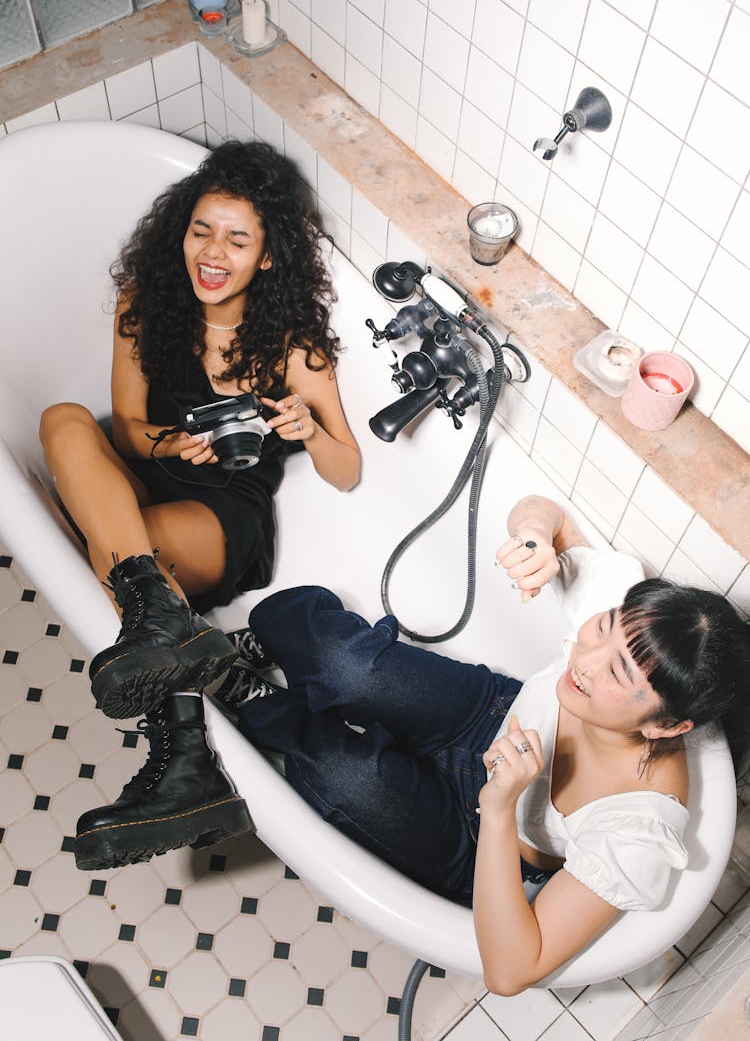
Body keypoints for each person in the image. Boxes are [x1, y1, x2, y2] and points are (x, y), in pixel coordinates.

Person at [218, 493, 750, 995]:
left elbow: (511, 970)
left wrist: (498, 810)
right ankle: (267, 638)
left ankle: (262, 704)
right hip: (484, 717)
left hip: (484, 847)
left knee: (347, 776)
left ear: (665, 727)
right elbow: (548, 514)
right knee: (346, 666)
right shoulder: (631, 630)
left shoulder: (640, 830)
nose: (584, 659)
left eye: (614, 669)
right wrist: (535, 537)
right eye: (604, 627)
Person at [39, 140, 360, 871]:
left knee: (114, 544)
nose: (212, 253)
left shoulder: (292, 348)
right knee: (62, 418)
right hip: (151, 472)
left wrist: (311, 430)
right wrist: (166, 447)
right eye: (202, 229)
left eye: (238, 239)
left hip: (221, 518)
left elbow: (346, 471)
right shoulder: (144, 303)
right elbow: (126, 423)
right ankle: (180, 700)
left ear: (268, 257)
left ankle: (182, 747)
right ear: (181, 229)